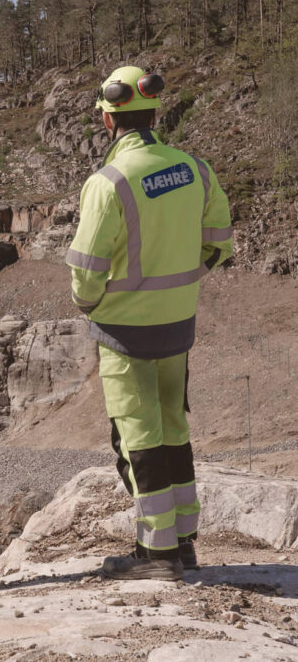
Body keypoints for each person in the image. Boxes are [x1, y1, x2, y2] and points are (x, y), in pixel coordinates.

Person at [66, 66, 233, 580]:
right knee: (175, 427)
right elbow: (219, 243)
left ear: (107, 120)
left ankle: (156, 554)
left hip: (125, 331)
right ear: (155, 112)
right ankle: (184, 543)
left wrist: (93, 305)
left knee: (138, 437)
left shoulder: (108, 182)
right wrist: (180, 284)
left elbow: (86, 271)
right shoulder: (195, 169)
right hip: (178, 324)